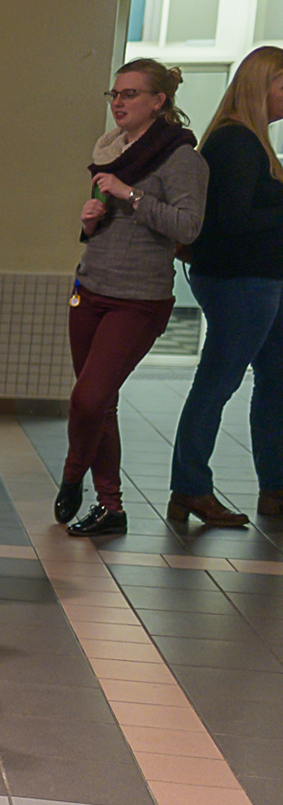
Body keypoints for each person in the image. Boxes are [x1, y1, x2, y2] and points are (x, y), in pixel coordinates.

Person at [56, 60, 205, 537]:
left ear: (159, 101)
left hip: (138, 298)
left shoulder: (182, 158)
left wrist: (130, 195)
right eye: (114, 94)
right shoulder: (110, 151)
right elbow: (107, 226)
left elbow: (188, 227)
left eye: (130, 94)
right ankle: (110, 506)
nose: (118, 103)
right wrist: (89, 222)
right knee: (102, 403)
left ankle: (72, 475)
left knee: (88, 399)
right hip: (91, 287)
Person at [169, 45, 283, 527]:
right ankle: (190, 486)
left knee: (275, 382)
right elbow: (234, 220)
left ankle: (274, 487)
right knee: (218, 382)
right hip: (240, 282)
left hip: (258, 280)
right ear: (263, 85)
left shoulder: (249, 140)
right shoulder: (236, 142)